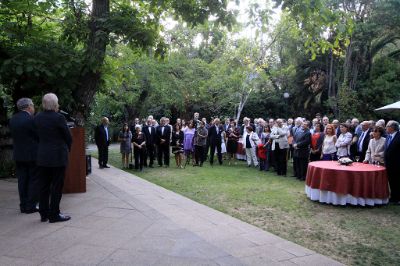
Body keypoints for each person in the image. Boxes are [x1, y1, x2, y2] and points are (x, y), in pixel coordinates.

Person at [34, 93, 72, 223]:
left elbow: (35, 136)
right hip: (57, 157)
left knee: (43, 186)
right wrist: (68, 150)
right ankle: (54, 214)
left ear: (43, 104)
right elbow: (68, 137)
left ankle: (43, 214)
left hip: (42, 157)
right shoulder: (59, 118)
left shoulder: (37, 117)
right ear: (55, 104)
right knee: (56, 186)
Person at [9, 98, 39, 214]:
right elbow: (37, 135)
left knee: (22, 180)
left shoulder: (13, 119)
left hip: (18, 154)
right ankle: (31, 205)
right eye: (33, 106)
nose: (34, 108)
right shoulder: (31, 119)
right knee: (33, 180)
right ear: (29, 107)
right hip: (32, 154)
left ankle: (23, 205)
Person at [384, 120, 400, 204]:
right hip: (388, 163)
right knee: (391, 181)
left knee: (396, 181)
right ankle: (393, 197)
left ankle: (397, 199)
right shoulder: (388, 136)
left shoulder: (398, 136)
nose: (386, 128)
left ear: (392, 127)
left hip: (397, 163)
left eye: (387, 126)